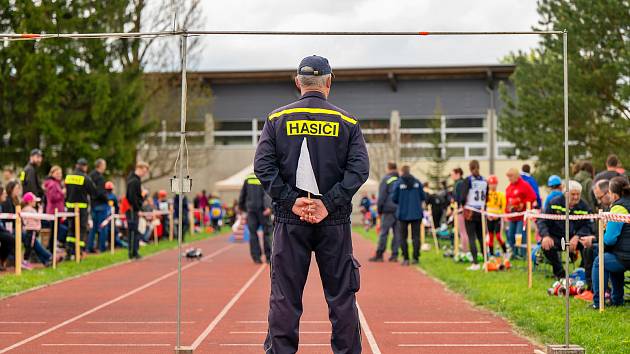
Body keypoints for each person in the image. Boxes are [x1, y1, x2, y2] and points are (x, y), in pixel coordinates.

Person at [255, 55, 368, 354]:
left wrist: (292, 202)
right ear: (329, 82)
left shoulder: (276, 120)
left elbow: (263, 167)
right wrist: (327, 205)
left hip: (291, 223)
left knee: (284, 297)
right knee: (342, 298)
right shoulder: (347, 122)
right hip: (334, 222)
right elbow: (359, 170)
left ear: (297, 82)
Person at [538, 181, 595, 284]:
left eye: (578, 194)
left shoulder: (584, 206)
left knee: (589, 245)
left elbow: (589, 225)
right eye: (573, 194)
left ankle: (584, 273)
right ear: (565, 193)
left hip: (577, 238)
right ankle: (560, 273)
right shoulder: (554, 203)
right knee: (546, 245)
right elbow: (542, 221)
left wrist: (578, 236)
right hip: (558, 238)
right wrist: (546, 236)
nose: (576, 197)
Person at [592, 176, 630, 309]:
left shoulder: (618, 208)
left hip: (626, 256)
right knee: (611, 257)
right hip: (624, 253)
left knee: (600, 261)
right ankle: (617, 299)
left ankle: (598, 302)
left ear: (613, 194)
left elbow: (610, 239)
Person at [392, 165, 425, 266]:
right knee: (416, 237)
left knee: (403, 237)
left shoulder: (398, 183)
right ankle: (415, 258)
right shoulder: (417, 182)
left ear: (401, 172)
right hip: (416, 213)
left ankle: (406, 258)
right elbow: (423, 196)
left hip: (403, 213)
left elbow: (394, 198)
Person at [64, 158, 97, 259]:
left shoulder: (68, 177)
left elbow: (67, 191)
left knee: (71, 230)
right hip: (81, 208)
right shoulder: (85, 178)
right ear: (84, 166)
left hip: (70, 208)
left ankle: (69, 251)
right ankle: (79, 251)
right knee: (82, 229)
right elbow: (93, 192)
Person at [458, 160, 487, 270]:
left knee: (471, 237)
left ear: (470, 168)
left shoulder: (468, 180)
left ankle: (475, 263)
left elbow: (462, 196)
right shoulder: (484, 180)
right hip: (481, 211)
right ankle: (485, 261)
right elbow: (487, 196)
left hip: (470, 210)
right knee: (481, 237)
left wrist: (463, 205)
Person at [369, 161, 401, 262]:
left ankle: (379, 254)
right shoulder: (400, 180)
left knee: (384, 233)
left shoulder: (386, 179)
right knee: (397, 233)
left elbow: (382, 196)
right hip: (399, 210)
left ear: (388, 168)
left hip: (388, 210)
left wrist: (379, 210)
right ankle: (395, 255)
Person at [239, 173, 273, 264]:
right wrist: (269, 207)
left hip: (251, 210)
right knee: (267, 233)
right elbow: (268, 192)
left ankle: (256, 257)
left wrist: (242, 208)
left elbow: (243, 194)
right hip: (263, 210)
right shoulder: (265, 175)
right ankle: (269, 257)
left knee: (253, 234)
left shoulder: (248, 178)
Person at [505, 168, 537, 259]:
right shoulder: (509, 187)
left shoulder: (525, 185)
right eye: (508, 177)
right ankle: (513, 253)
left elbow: (533, 197)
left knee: (520, 235)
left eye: (510, 176)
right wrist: (507, 210)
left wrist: (522, 204)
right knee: (511, 235)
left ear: (516, 176)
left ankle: (523, 254)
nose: (509, 178)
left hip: (522, 217)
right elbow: (507, 201)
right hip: (512, 217)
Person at [21, 192, 53, 268]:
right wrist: (40, 210)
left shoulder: (28, 209)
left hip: (31, 230)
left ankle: (46, 260)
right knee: (29, 246)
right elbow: (38, 217)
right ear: (29, 201)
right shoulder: (29, 210)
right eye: (34, 201)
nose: (35, 202)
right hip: (31, 230)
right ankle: (25, 261)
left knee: (32, 246)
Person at [126, 161, 149, 260]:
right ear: (139, 168)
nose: (145, 174)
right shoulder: (134, 181)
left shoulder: (135, 180)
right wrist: (137, 208)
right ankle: (132, 252)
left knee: (135, 231)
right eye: (144, 171)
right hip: (132, 210)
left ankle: (134, 251)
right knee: (133, 231)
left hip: (134, 209)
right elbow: (131, 197)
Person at [87, 158, 109, 253]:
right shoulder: (100, 178)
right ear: (100, 165)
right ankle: (101, 247)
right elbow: (100, 192)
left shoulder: (90, 176)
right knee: (102, 226)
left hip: (93, 204)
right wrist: (107, 199)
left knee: (93, 227)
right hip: (101, 204)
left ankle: (89, 246)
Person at [44, 166, 67, 252]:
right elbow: (52, 197)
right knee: (54, 231)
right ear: (52, 173)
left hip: (57, 210)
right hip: (54, 211)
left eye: (60, 173)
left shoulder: (56, 183)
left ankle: (52, 247)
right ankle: (51, 249)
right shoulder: (52, 184)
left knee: (55, 231)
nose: (59, 175)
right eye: (57, 173)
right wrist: (62, 193)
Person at [486, 175, 507, 256]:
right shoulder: (486, 195)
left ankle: (505, 252)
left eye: (494, 183)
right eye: (491, 184)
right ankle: (491, 254)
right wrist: (488, 215)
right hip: (489, 218)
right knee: (490, 237)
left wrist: (498, 215)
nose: (493, 185)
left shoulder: (500, 195)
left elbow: (503, 207)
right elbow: (485, 206)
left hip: (498, 218)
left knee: (498, 236)